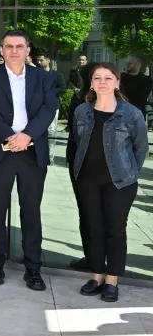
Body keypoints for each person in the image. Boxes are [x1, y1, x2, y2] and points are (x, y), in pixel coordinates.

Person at [0, 30, 58, 291]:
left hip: (32, 152)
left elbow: (49, 108)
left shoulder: (43, 77)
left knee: (31, 211)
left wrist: (27, 136)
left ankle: (33, 268)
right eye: (9, 46)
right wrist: (10, 136)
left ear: (27, 50)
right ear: (1, 50)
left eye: (19, 46)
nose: (14, 51)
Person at [71, 64, 148, 303]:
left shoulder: (131, 114)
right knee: (93, 228)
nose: (102, 82)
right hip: (87, 180)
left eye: (108, 78)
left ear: (117, 83)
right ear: (92, 83)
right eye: (97, 78)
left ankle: (112, 280)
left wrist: (129, 172)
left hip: (120, 182)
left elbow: (140, 148)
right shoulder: (82, 111)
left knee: (115, 230)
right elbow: (78, 141)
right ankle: (97, 276)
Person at [66, 62, 97, 272]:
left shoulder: (118, 106)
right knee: (88, 211)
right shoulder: (79, 103)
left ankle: (94, 258)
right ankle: (94, 258)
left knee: (88, 212)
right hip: (80, 162)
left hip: (90, 164)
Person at [36, 54, 67, 142]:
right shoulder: (35, 74)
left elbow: (63, 88)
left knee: (51, 130)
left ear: (48, 61)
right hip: (38, 106)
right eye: (38, 60)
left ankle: (51, 151)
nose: (39, 62)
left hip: (52, 105)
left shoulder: (56, 74)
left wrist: (50, 92)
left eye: (41, 60)